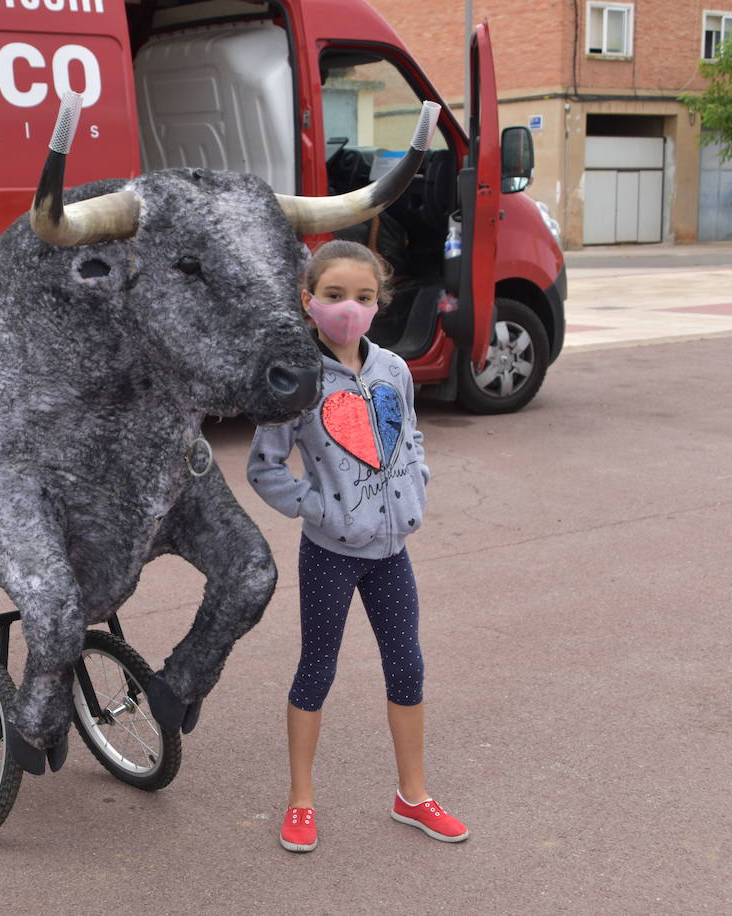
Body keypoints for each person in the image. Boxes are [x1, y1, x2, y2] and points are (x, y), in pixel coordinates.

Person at [247, 239, 468, 853]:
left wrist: (415, 485)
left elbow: (413, 437)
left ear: (379, 303)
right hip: (331, 553)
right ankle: (300, 801)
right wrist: (321, 510)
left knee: (408, 666)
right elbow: (265, 468)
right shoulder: (295, 379)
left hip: (392, 553)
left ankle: (413, 796)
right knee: (317, 671)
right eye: (335, 295)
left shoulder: (395, 369)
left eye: (364, 297)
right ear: (308, 300)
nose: (350, 308)